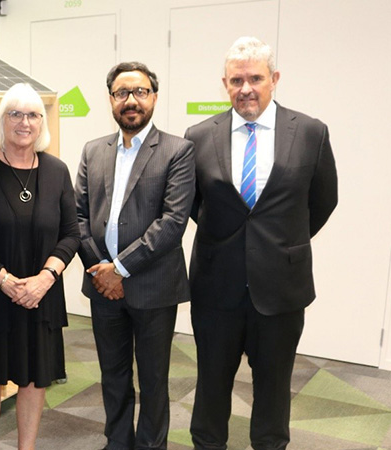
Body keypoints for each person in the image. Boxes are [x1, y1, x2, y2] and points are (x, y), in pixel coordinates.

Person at [185, 37, 338, 450]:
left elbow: (323, 201)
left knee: (273, 388)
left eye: (255, 78)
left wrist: (281, 243)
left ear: (274, 79)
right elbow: (194, 204)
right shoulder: (198, 135)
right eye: (236, 80)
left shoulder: (309, 132)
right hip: (216, 288)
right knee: (211, 383)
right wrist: (229, 239)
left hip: (281, 289)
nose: (245, 88)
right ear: (224, 83)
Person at [74, 62, 195, 450]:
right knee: (113, 373)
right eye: (122, 93)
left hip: (153, 285)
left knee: (154, 378)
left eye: (140, 92)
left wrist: (120, 269)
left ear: (154, 97)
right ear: (110, 99)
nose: (131, 100)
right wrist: (99, 270)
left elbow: (173, 222)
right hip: (101, 286)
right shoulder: (94, 150)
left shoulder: (178, 150)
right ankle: (118, 441)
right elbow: (76, 216)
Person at [0, 83, 80, 450]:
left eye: (32, 115)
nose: (24, 122)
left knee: (35, 377)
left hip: (41, 293)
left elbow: (71, 233)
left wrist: (45, 279)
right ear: (2, 120)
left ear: (41, 122)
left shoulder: (56, 170)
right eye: (15, 113)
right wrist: (3, 278)